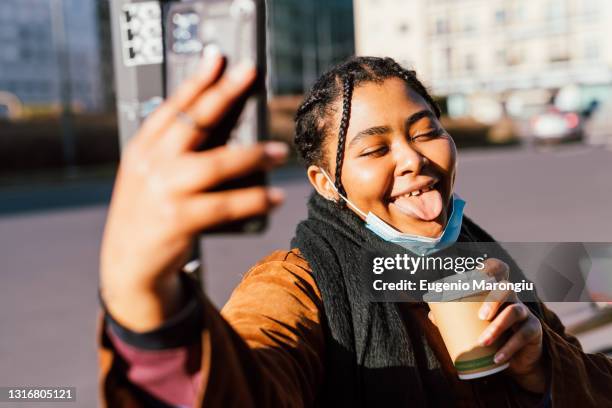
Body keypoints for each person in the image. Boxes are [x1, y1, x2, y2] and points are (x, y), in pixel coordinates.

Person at [99, 55, 612, 407]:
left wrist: (540, 365)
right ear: (326, 183)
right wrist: (146, 302)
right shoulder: (295, 285)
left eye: (425, 131)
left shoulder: (483, 261)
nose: (413, 158)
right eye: (374, 149)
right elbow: (249, 385)